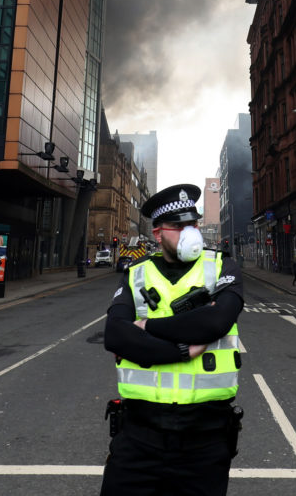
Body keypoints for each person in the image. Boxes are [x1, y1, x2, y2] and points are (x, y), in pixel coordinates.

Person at [101, 183, 245, 495]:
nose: (190, 233)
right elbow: (115, 334)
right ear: (158, 233)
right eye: (178, 227)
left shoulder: (222, 266)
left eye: (192, 224)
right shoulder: (136, 274)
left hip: (205, 439)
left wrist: (147, 326)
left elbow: (217, 320)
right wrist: (181, 350)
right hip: (140, 435)